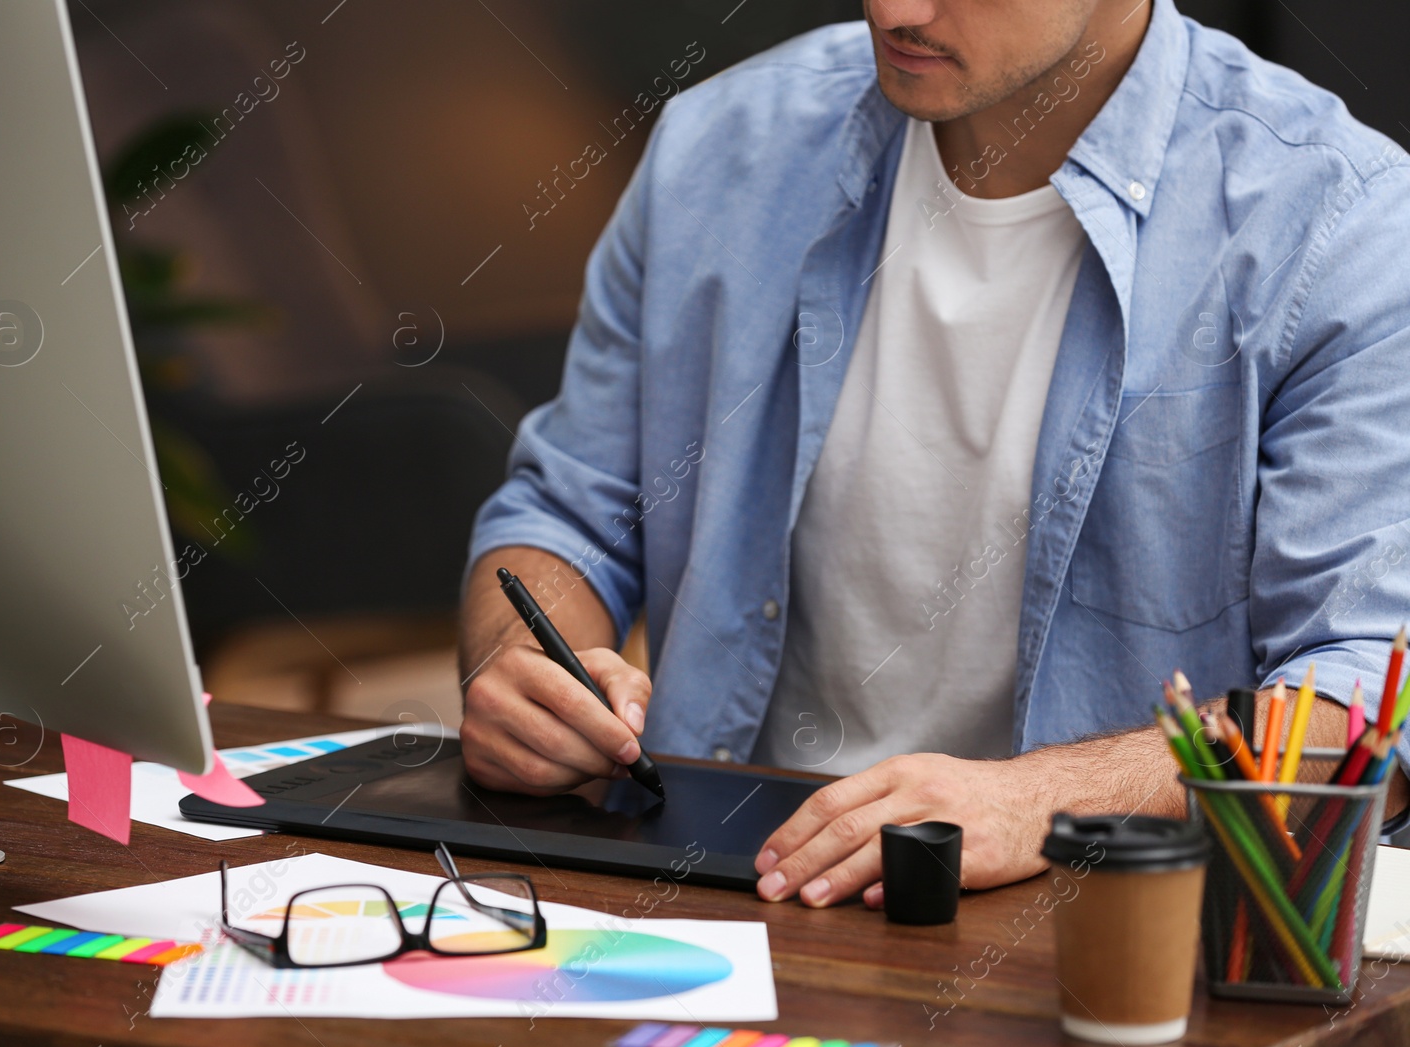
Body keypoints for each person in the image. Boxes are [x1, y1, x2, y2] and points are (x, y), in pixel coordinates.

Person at [458, 0, 1410, 909]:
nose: (893, 12)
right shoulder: (717, 149)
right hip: (724, 887)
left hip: (1099, 939)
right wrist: (523, 672)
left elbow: (1370, 696)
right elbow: (566, 516)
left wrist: (1045, 803)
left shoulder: (1337, 224)